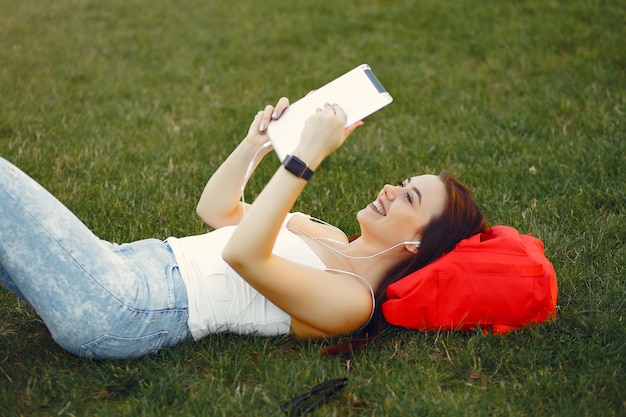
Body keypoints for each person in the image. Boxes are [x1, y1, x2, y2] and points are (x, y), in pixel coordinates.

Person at [0, 98, 487, 359]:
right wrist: (255, 146)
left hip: (130, 306)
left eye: (409, 197)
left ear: (418, 242)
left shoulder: (355, 302)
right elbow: (218, 210)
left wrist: (308, 157)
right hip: (125, 262)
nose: (389, 189)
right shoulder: (330, 238)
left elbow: (245, 255)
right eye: (402, 183)